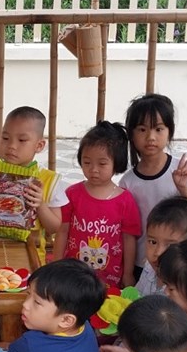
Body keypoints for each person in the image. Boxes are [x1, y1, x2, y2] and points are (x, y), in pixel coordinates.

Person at [119, 94, 187, 275]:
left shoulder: (183, 169)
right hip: (141, 262)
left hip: (178, 261)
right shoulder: (127, 182)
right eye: (142, 129)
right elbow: (127, 232)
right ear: (131, 134)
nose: (151, 137)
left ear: (169, 132)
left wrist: (183, 188)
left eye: (158, 129)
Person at [56, 120, 141, 288]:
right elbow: (62, 230)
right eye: (87, 162)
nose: (93, 169)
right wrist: (55, 265)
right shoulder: (72, 194)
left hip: (110, 278)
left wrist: (128, 274)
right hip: (73, 275)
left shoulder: (125, 200)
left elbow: (129, 239)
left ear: (117, 163)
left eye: (102, 164)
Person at [0, 106, 67, 236]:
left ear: (39, 146)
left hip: (32, 246)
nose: (11, 146)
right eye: (5, 138)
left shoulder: (49, 180)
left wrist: (40, 205)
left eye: (22, 140)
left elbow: (54, 228)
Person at [134, 196, 187, 296]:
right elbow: (137, 296)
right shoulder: (149, 268)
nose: (158, 252)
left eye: (170, 245)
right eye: (153, 242)